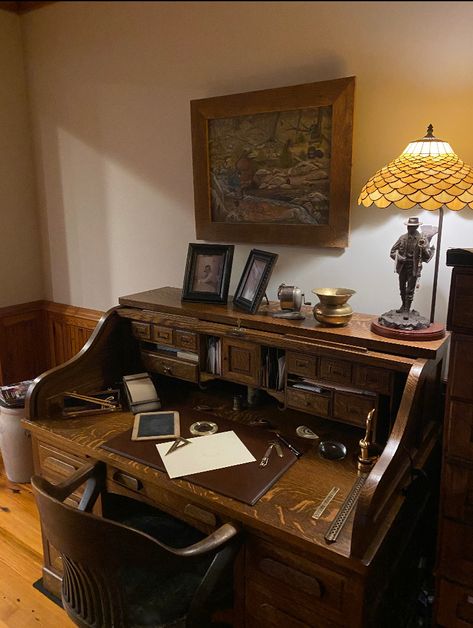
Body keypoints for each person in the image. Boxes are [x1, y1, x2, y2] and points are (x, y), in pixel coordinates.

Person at [390, 216, 435, 314]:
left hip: (414, 267)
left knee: (410, 289)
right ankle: (403, 305)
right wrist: (401, 258)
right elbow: (392, 252)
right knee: (402, 287)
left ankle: (407, 309)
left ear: (416, 227)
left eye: (412, 226)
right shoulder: (402, 238)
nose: (409, 228)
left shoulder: (422, 239)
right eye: (408, 226)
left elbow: (427, 256)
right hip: (402, 266)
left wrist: (423, 247)